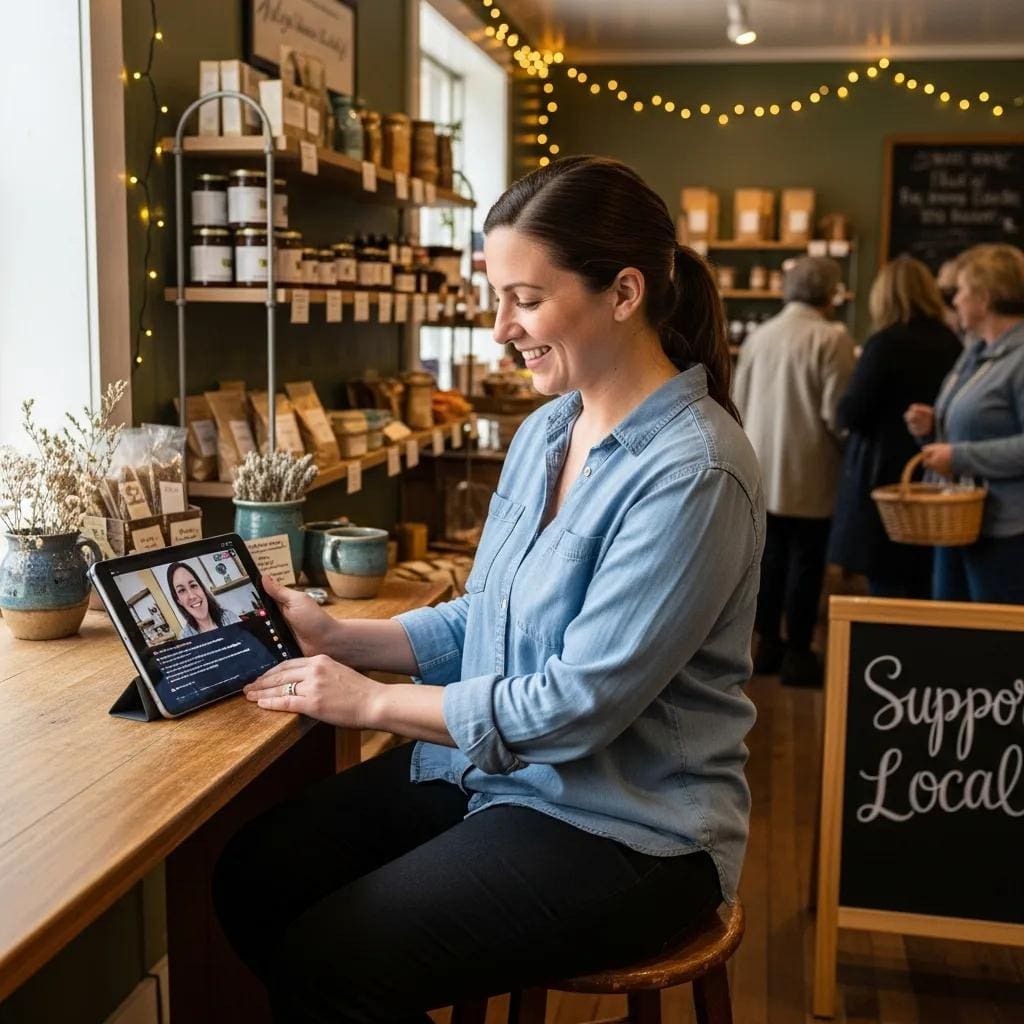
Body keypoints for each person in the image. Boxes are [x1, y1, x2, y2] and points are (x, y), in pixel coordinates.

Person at [212, 156, 765, 1024]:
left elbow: (575, 706)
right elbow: (493, 612)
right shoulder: (548, 430)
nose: (500, 326)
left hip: (629, 828)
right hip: (500, 778)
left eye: (526, 299)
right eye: (496, 295)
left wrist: (370, 703)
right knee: (255, 875)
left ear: (624, 293)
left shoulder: (693, 471)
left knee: (332, 963)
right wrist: (342, 639)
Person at [733, 256, 856, 686]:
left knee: (768, 558)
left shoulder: (760, 335)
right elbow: (837, 413)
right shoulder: (831, 338)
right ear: (831, 293)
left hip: (759, 463)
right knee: (807, 561)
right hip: (810, 466)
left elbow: (739, 400)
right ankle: (799, 654)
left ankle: (766, 645)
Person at [829, 256, 961, 597]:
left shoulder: (884, 344)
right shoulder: (952, 342)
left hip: (884, 477)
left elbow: (851, 413)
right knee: (924, 583)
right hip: (933, 472)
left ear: (883, 296)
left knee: (887, 587)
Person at [904, 243, 1024, 603]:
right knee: (949, 628)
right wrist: (933, 427)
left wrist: (959, 457)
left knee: (989, 634)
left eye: (961, 291)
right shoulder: (975, 351)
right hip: (958, 519)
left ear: (984, 298)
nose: (954, 301)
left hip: (1006, 532)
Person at [167, 561, 240, 636]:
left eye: (193, 585)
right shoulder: (185, 637)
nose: (192, 596)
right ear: (178, 600)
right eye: (182, 590)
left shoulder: (229, 617)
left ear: (202, 588)